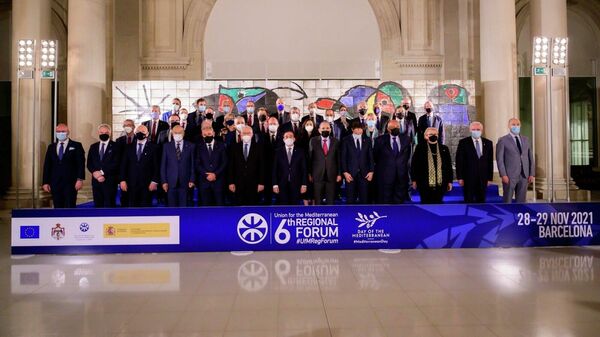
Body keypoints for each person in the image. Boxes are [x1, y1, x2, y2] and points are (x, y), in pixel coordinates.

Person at [42, 123, 86, 208]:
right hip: (55, 182)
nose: (60, 133)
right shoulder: (51, 147)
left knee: (70, 206)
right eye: (58, 131)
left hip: (71, 182)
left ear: (68, 132)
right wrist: (45, 182)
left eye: (63, 131)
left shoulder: (76, 145)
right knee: (57, 206)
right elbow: (47, 165)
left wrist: (80, 179)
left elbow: (81, 163)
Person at [373, 120, 412, 204]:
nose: (395, 129)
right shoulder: (379, 140)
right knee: (385, 201)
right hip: (385, 175)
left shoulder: (406, 139)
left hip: (401, 174)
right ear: (388, 129)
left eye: (397, 127)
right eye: (393, 128)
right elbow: (375, 156)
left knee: (399, 202)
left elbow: (408, 156)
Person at [119, 125, 160, 207]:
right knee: (131, 209)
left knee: (146, 210)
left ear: (147, 134)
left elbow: (157, 166)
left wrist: (155, 181)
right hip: (130, 184)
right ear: (135, 133)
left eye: (143, 132)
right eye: (138, 132)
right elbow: (123, 165)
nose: (140, 133)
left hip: (147, 185)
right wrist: (122, 180)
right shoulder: (128, 147)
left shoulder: (154, 148)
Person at [496, 118, 535, 203]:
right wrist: (503, 175)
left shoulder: (526, 139)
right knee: (508, 200)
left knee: (521, 201)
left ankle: (518, 215)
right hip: (509, 176)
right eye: (513, 125)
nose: (516, 126)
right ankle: (507, 216)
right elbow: (500, 159)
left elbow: (530, 157)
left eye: (518, 124)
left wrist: (531, 173)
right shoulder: (503, 140)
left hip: (524, 175)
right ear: (509, 126)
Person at [411, 127, 453, 204]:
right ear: (426, 136)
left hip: (440, 184)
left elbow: (449, 166)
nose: (433, 136)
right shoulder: (420, 148)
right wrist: (414, 180)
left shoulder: (444, 148)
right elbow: (414, 165)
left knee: (438, 204)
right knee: (425, 204)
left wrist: (450, 181)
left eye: (435, 134)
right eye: (431, 134)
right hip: (424, 184)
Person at [455, 121, 494, 203]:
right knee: (469, 200)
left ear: (482, 130)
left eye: (478, 129)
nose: (476, 131)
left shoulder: (488, 143)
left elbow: (490, 162)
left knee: (481, 200)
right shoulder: (463, 143)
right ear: (470, 130)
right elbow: (459, 161)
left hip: (483, 178)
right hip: (468, 178)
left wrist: (490, 178)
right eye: (474, 129)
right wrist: (460, 177)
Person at [227, 126, 265, 205]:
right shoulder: (234, 147)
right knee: (239, 207)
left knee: (253, 206)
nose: (246, 135)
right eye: (244, 133)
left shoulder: (259, 147)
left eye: (248, 133)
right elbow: (230, 166)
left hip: (254, 184)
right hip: (238, 183)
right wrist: (231, 182)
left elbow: (262, 166)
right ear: (240, 134)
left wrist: (261, 182)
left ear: (252, 134)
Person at [87, 124, 121, 208]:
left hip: (110, 181)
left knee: (110, 206)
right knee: (97, 206)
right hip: (96, 182)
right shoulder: (93, 147)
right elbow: (89, 163)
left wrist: (102, 172)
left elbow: (116, 163)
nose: (104, 134)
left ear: (110, 133)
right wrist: (95, 173)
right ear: (98, 133)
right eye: (101, 132)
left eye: (106, 132)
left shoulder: (116, 146)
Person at [161, 125, 195, 207]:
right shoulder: (166, 146)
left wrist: (192, 179)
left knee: (184, 207)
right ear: (172, 134)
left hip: (185, 182)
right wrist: (164, 181)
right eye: (175, 133)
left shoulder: (191, 146)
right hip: (171, 183)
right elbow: (163, 165)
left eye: (180, 132)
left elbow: (192, 164)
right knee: (172, 208)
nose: (177, 134)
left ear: (183, 133)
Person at [308, 121, 341, 205]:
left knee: (331, 201)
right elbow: (310, 158)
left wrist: (339, 174)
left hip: (332, 174)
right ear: (319, 130)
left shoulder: (336, 141)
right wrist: (309, 174)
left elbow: (338, 159)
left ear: (330, 130)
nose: (325, 130)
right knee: (317, 200)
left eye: (327, 128)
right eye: (323, 128)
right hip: (317, 174)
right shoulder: (313, 141)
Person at [341, 121, 374, 204]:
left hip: (365, 174)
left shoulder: (367, 140)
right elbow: (343, 157)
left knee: (364, 200)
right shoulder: (346, 140)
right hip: (350, 175)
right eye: (357, 128)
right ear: (352, 129)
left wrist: (371, 171)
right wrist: (345, 172)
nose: (359, 131)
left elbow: (370, 157)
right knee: (351, 200)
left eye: (361, 129)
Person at [196, 120, 228, 206]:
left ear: (213, 133)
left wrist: (215, 174)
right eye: (205, 135)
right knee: (205, 208)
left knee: (219, 206)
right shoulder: (198, 146)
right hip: (204, 182)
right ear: (202, 135)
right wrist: (206, 175)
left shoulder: (221, 145)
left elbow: (224, 162)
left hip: (218, 181)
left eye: (209, 134)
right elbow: (197, 163)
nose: (207, 136)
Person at [272, 131, 308, 205]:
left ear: (294, 139)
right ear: (283, 139)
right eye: (286, 137)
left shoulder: (300, 151)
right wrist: (275, 184)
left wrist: (304, 184)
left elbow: (304, 169)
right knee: (283, 206)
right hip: (282, 184)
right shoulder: (278, 152)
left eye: (290, 136)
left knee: (294, 206)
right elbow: (274, 169)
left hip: (296, 184)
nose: (288, 138)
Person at [115, 119, 136, 207]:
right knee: (124, 199)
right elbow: (117, 159)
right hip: (124, 174)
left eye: (129, 125)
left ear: (133, 127)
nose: (127, 127)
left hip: (136, 174)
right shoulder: (119, 141)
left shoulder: (139, 139)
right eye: (125, 125)